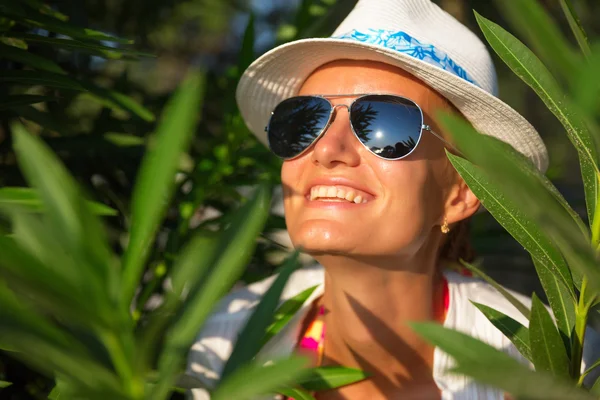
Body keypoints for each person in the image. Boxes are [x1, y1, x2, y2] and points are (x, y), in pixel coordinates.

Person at [186, 0, 597, 399]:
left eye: (384, 123)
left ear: (462, 191)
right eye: (305, 120)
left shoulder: (554, 368)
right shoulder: (230, 338)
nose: (327, 150)